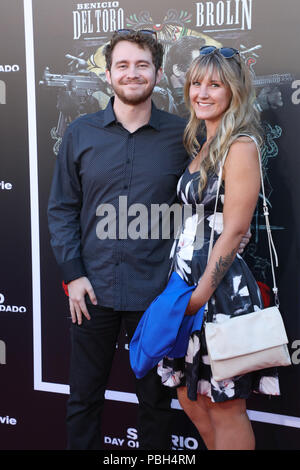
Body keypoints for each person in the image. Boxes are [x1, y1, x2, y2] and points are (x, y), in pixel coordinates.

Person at [157, 46, 280, 451]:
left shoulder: (240, 145)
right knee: (190, 397)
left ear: (234, 92)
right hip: (185, 288)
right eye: (196, 83)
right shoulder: (204, 144)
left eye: (215, 84)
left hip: (219, 292)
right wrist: (183, 293)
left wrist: (199, 296)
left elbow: (235, 229)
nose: (202, 92)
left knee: (225, 405)